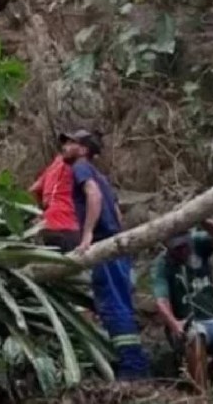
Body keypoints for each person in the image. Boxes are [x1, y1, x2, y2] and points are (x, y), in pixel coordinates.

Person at [62, 128, 150, 380]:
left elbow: (93, 195)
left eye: (70, 143)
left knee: (113, 306)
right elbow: (116, 210)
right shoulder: (101, 176)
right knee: (121, 304)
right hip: (116, 247)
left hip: (104, 247)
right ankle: (137, 365)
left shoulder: (81, 168)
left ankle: (132, 370)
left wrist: (88, 234)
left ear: (83, 149)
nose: (65, 147)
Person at [150, 219, 213, 389]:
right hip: (187, 324)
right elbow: (161, 301)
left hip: (212, 320)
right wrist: (175, 324)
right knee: (197, 335)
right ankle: (200, 390)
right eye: (177, 248)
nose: (183, 251)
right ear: (168, 247)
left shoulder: (198, 243)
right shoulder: (162, 265)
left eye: (184, 245)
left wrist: (202, 219)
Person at [29, 138, 80, 252]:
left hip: (47, 225)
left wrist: (39, 212)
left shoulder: (54, 166)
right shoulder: (81, 166)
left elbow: (33, 190)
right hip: (69, 226)